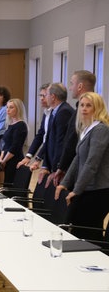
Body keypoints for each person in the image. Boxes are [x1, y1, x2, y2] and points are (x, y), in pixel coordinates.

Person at [55, 92, 109, 242]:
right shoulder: (86, 129)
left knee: (85, 230)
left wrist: (76, 190)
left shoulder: (100, 129)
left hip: (99, 190)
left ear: (97, 108)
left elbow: (92, 163)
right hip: (87, 187)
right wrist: (65, 183)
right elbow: (77, 158)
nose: (84, 109)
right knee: (80, 228)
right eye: (82, 105)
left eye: (88, 105)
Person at [51, 70, 96, 188]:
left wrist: (62, 167)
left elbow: (71, 142)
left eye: (72, 84)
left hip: (80, 173)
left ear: (80, 86)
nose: (70, 88)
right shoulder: (78, 110)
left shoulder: (86, 114)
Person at [17, 83, 51, 169]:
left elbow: (49, 139)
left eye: (44, 96)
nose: (41, 99)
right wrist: (28, 156)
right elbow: (40, 135)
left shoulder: (58, 113)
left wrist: (38, 158)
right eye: (40, 95)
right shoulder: (46, 112)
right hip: (47, 154)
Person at [0, 99, 28, 184]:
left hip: (14, 160)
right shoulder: (10, 124)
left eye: (11, 107)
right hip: (6, 159)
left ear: (18, 109)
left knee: (10, 183)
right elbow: (6, 144)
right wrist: (1, 157)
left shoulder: (21, 125)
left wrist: (4, 160)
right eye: (7, 107)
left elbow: (15, 147)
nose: (8, 110)